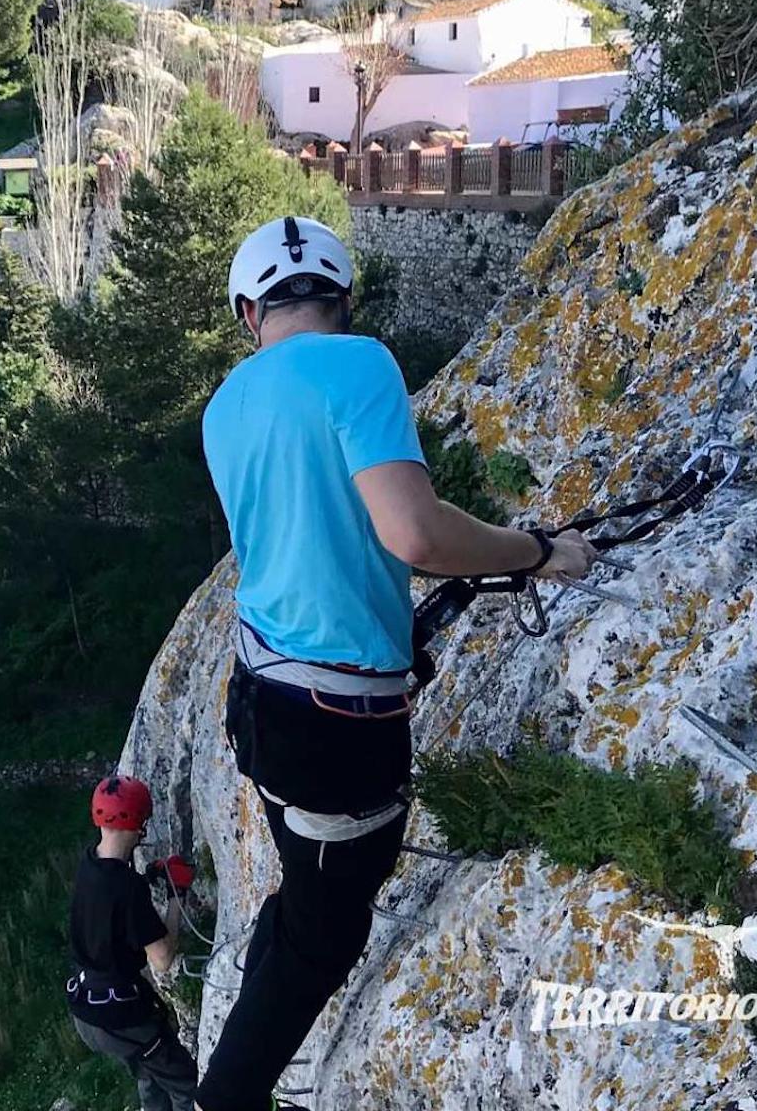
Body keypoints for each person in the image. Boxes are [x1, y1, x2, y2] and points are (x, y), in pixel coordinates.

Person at [195, 216, 597, 1111]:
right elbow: (411, 532)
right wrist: (533, 550)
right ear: (341, 298)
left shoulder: (225, 407)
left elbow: (315, 538)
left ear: (246, 312)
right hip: (339, 722)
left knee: (305, 893)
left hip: (260, 694)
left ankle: (235, 1043)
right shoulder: (361, 362)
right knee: (322, 942)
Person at [67, 774, 200, 1111]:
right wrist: (176, 897)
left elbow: (108, 903)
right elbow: (163, 958)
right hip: (123, 1015)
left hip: (88, 1012)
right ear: (139, 823)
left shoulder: (88, 864)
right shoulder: (127, 888)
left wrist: (149, 876)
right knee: (186, 1086)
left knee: (149, 1075)